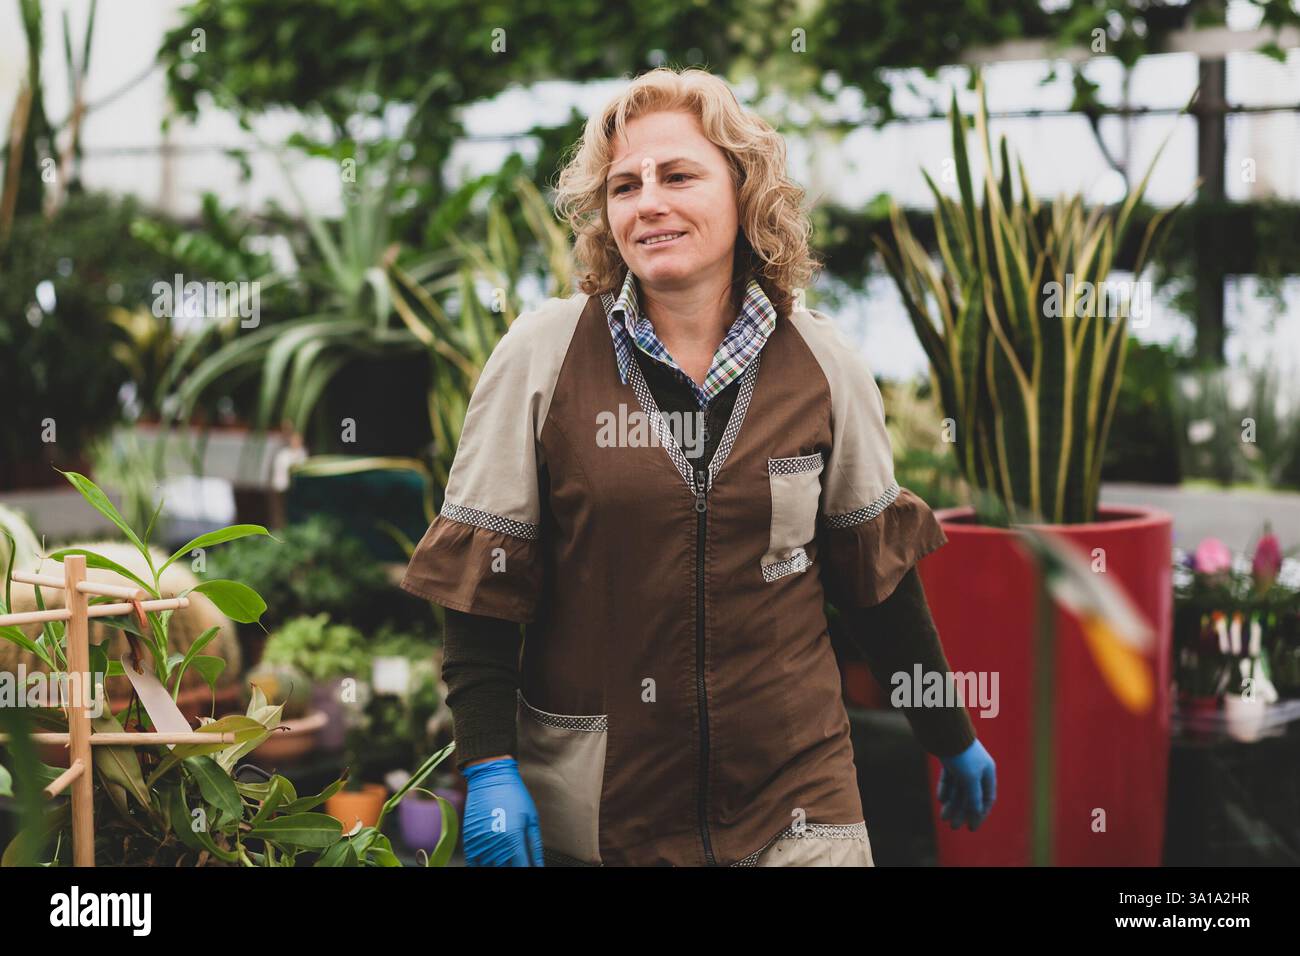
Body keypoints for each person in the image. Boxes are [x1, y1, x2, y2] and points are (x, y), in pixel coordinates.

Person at [400, 66, 995, 867]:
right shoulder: (543, 357)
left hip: (797, 802)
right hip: (605, 809)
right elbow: (482, 588)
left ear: (745, 190)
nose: (648, 202)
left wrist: (947, 731)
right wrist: (492, 765)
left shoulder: (822, 363)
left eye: (679, 174)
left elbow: (875, 582)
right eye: (624, 186)